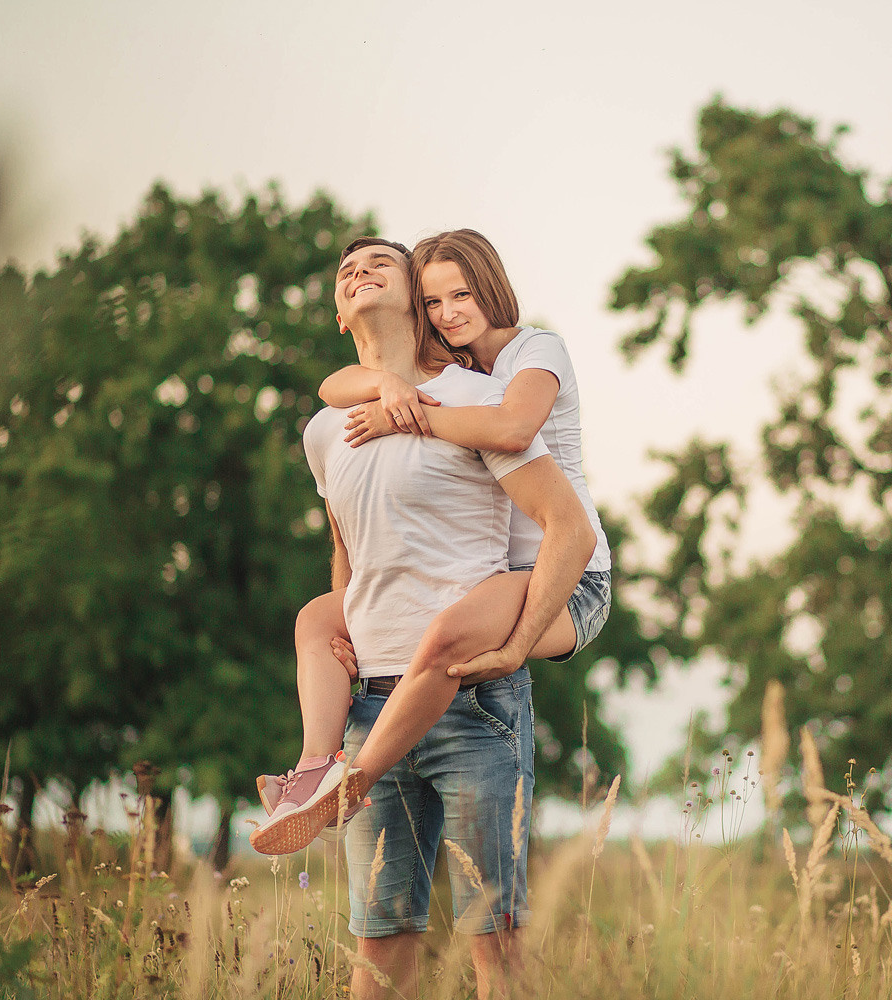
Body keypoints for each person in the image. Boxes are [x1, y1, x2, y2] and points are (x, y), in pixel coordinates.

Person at [253, 235, 596, 999]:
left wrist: (517, 643)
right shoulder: (322, 429)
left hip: (471, 699)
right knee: (378, 955)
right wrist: (338, 625)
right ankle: (320, 771)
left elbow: (563, 521)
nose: (358, 271)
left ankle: (333, 787)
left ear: (416, 296)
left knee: (494, 946)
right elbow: (346, 551)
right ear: (341, 315)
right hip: (371, 700)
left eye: (380, 262)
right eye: (345, 271)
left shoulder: (478, 398)